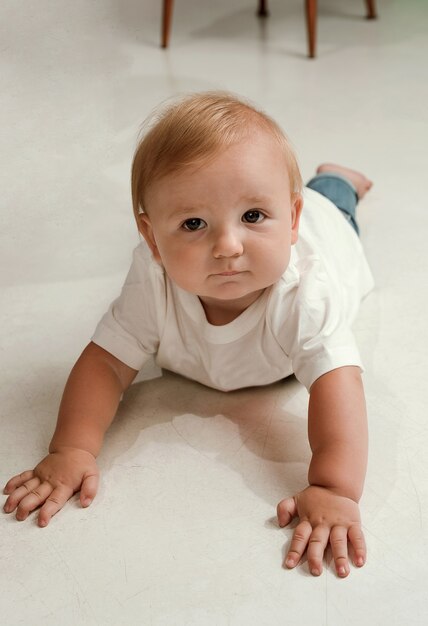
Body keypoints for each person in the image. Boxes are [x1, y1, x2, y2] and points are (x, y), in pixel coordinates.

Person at [3, 92, 374, 578]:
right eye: (193, 223)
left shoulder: (306, 293)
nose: (227, 246)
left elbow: (337, 382)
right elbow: (106, 363)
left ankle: (338, 181)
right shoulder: (153, 279)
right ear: (153, 239)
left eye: (253, 216)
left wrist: (333, 488)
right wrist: (72, 448)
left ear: (291, 221)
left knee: (338, 206)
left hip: (331, 234)